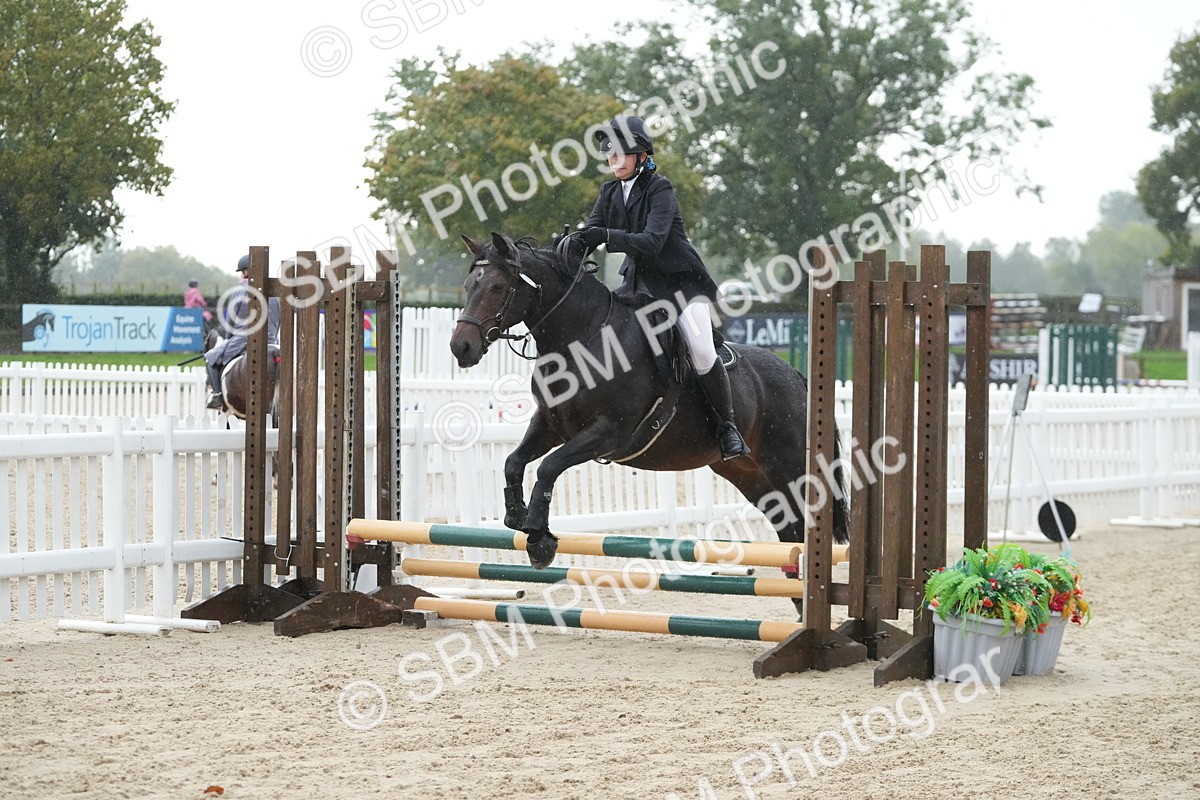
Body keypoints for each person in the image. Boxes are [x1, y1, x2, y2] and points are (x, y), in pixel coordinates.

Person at [578, 115, 750, 460]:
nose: (611, 158)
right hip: (637, 287)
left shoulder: (660, 189)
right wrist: (568, 245)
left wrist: (603, 236)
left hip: (680, 287)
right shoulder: (609, 191)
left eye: (618, 152)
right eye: (607, 152)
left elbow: (652, 241)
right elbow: (591, 232)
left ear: (640, 154)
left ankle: (727, 427)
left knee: (701, 350)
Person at [204, 254, 281, 410]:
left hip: (242, 340)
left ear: (247, 271)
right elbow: (278, 320)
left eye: (242, 272)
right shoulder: (275, 293)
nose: (241, 275)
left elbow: (231, 322)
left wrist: (227, 339)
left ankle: (218, 395)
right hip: (271, 342)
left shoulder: (239, 292)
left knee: (210, 357)